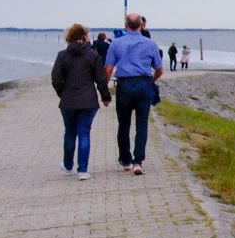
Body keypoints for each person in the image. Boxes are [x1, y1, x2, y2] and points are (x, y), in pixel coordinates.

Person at [104, 13, 164, 175]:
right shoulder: (151, 44)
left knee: (123, 124)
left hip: (124, 84)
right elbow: (159, 69)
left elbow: (108, 68)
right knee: (142, 124)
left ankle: (125, 159)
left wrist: (104, 91)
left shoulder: (116, 43)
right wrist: (152, 81)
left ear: (126, 26)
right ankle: (138, 161)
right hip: (144, 83)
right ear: (141, 25)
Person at [51, 23, 110, 179]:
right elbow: (100, 79)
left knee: (70, 133)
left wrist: (62, 93)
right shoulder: (93, 55)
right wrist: (105, 97)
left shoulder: (62, 56)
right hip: (88, 100)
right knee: (84, 133)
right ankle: (83, 170)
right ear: (84, 37)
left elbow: (56, 79)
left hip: (68, 100)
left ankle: (67, 166)